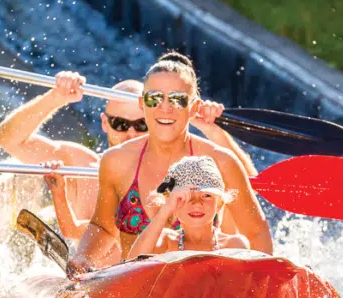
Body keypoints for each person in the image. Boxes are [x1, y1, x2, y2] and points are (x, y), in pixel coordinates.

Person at [0, 69, 257, 246]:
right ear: (105, 124)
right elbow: (8, 139)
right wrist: (55, 98)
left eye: (141, 125)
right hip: (104, 287)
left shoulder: (191, 170)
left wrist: (212, 129)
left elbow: (250, 185)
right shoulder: (82, 165)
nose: (131, 133)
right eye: (120, 124)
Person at [69, 51, 272, 277]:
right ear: (142, 103)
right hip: (134, 292)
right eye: (154, 98)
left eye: (177, 99)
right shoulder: (116, 160)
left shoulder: (221, 161)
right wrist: (83, 257)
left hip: (204, 292)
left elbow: (256, 233)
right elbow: (103, 227)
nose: (165, 108)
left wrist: (263, 288)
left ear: (193, 107)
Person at [128, 156, 249, 258]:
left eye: (206, 195)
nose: (196, 203)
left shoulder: (234, 245)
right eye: (185, 196)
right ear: (172, 203)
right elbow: (131, 267)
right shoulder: (165, 241)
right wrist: (164, 211)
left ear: (219, 203)